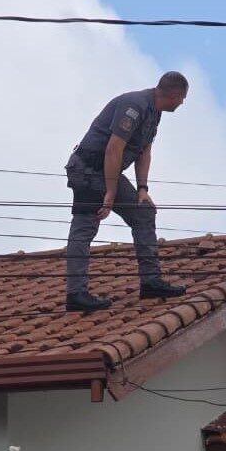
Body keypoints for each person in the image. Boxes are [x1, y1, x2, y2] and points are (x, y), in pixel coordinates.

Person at [64, 72, 189, 312]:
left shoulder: (155, 113)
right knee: (86, 226)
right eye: (182, 99)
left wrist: (142, 188)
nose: (182, 103)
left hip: (107, 171)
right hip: (88, 169)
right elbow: (114, 149)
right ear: (174, 95)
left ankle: (151, 282)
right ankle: (76, 294)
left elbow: (144, 152)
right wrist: (110, 192)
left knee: (143, 212)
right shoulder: (135, 105)